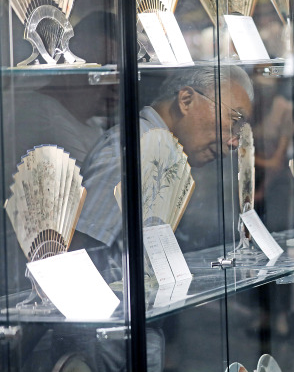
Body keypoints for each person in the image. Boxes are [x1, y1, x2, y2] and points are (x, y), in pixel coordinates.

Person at [73, 64, 253, 268]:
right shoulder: (138, 149)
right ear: (186, 100)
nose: (234, 142)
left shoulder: (160, 150)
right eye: (234, 120)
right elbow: (81, 252)